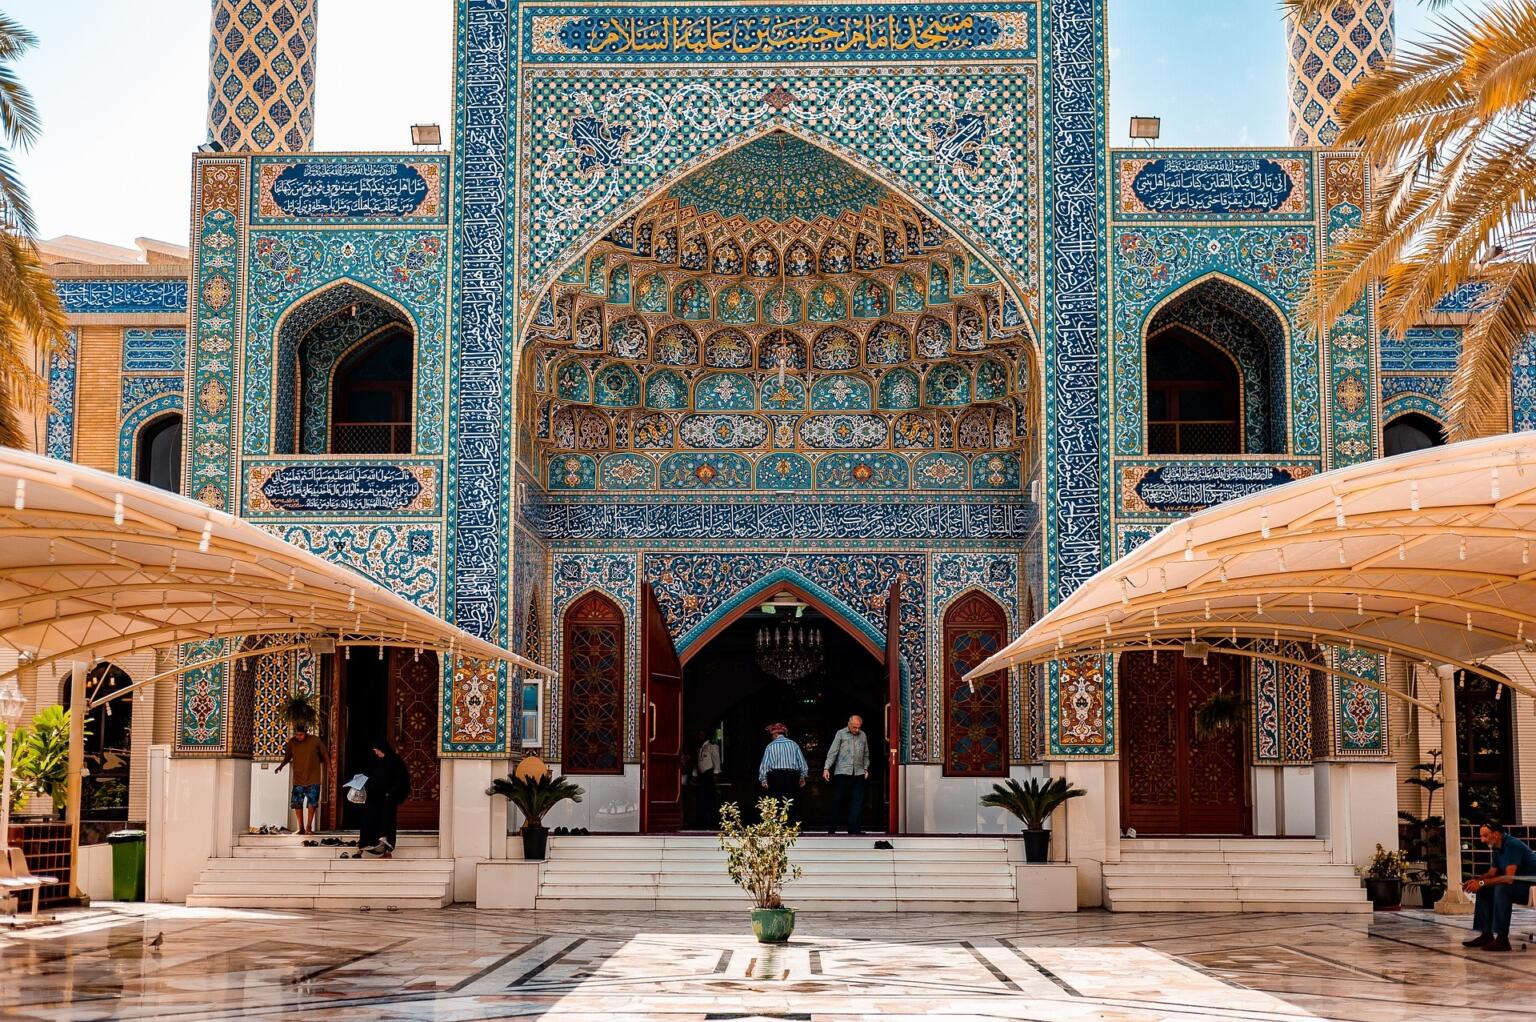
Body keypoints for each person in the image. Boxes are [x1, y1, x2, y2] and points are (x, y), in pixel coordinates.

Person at [1461, 820, 1536, 952]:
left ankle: (1502, 940)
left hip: (1531, 887)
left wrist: (1481, 883)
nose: (1482, 840)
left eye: (1485, 836)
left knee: (1502, 889)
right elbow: (1492, 873)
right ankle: (1486, 935)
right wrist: (1476, 881)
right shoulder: (1497, 847)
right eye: (1481, 836)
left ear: (1496, 834)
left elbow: (1508, 878)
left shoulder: (1512, 845)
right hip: (1519, 885)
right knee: (1484, 890)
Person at [357, 738, 411, 857]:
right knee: (368, 819)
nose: (376, 753)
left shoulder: (395, 761)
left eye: (378, 750)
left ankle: (387, 850)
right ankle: (366, 845)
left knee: (387, 822)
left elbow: (402, 780)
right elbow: (368, 775)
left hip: (388, 798)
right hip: (374, 798)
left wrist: (391, 793)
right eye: (375, 751)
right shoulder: (374, 761)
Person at [274, 722, 328, 835]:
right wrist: (281, 766)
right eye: (296, 735)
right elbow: (287, 757)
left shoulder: (315, 740)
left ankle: (309, 827)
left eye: (300, 735)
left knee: (312, 803)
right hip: (298, 779)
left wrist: (330, 769)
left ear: (305, 733)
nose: (298, 737)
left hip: (313, 778)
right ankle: (301, 828)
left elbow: (325, 754)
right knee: (297, 803)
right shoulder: (292, 742)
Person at [822, 714, 871, 834]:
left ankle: (854, 829)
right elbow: (833, 752)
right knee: (838, 800)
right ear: (849, 724)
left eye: (859, 727)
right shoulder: (841, 733)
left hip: (858, 772)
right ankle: (832, 829)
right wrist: (826, 768)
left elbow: (866, 754)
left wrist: (865, 768)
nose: (857, 730)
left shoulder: (863, 735)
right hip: (842, 772)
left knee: (857, 801)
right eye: (854, 727)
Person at [757, 723, 808, 819]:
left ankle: (778, 826)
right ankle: (792, 825)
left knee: (776, 801)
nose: (771, 737)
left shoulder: (770, 746)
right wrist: (802, 776)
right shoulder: (794, 744)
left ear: (775, 734)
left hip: (776, 776)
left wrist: (763, 779)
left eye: (772, 735)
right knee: (791, 800)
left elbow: (764, 765)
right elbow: (802, 762)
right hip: (792, 775)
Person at [694, 729, 723, 827]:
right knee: (701, 799)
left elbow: (716, 760)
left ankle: (712, 821)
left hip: (709, 774)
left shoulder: (712, 746)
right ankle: (702, 820)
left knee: (709, 798)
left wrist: (716, 773)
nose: (701, 736)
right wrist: (695, 774)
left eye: (703, 734)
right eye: (700, 734)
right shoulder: (700, 747)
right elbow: (697, 761)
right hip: (701, 775)